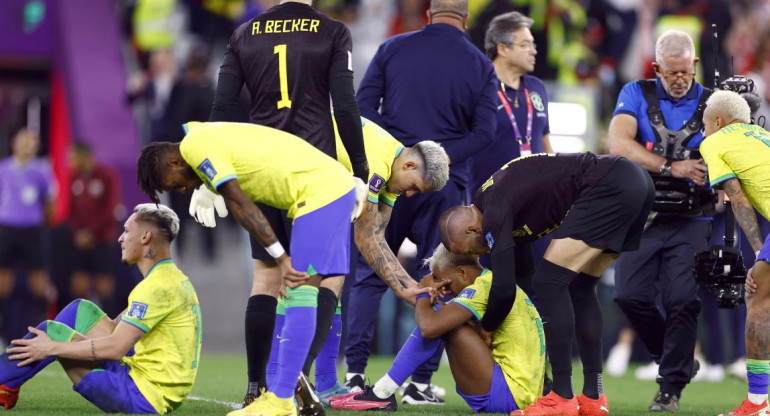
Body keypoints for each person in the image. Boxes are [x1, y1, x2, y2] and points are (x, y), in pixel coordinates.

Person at [204, 0, 369, 404]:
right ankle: (298, 378)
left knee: (265, 278)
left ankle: (254, 387)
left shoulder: (243, 34)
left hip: (262, 171)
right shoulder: (331, 31)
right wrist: (361, 171)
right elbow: (345, 106)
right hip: (315, 173)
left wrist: (206, 172)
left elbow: (222, 109)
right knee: (323, 278)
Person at [135, 121, 357, 416]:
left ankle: (282, 400)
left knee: (300, 289)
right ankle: (282, 395)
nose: (184, 188)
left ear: (174, 161)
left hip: (319, 192)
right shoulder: (197, 135)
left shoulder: (195, 147)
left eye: (176, 183)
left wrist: (280, 257)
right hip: (318, 191)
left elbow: (240, 203)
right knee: (298, 291)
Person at [347, 0, 498, 399]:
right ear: (465, 19)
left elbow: (362, 108)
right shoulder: (480, 64)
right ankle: (420, 382)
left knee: (367, 276)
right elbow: (486, 132)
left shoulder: (393, 48)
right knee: (442, 280)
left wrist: (403, 157)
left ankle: (355, 374)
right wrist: (443, 159)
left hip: (389, 176)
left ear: (430, 13)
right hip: (446, 191)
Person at [439, 152, 655, 416]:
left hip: (610, 183)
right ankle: (593, 397)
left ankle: (561, 397)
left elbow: (504, 289)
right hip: (636, 182)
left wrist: (486, 328)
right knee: (580, 286)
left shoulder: (492, 212)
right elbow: (523, 278)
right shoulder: (498, 208)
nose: (476, 256)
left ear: (472, 229)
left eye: (470, 250)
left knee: (550, 281)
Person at [271, 117, 449, 403]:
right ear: (410, 165)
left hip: (315, 184)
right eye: (415, 186)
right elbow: (364, 239)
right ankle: (283, 384)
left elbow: (378, 238)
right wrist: (403, 289)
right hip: (290, 175)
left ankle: (323, 382)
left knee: (334, 277)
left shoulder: (393, 169)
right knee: (314, 279)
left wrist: (410, 284)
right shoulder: (377, 167)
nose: (411, 194)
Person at [0, 203, 201, 414]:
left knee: (53, 332)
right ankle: (9, 383)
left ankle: (5, 378)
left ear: (145, 237)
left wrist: (50, 348)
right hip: (151, 383)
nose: (120, 238)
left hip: (140, 395)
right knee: (78, 311)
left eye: (126, 231)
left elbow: (115, 348)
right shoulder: (172, 278)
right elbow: (117, 330)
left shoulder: (155, 289)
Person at [608, 29, 712, 412]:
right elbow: (618, 143)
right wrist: (673, 166)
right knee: (627, 294)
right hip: (645, 214)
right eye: (672, 74)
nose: (680, 80)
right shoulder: (635, 92)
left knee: (682, 299)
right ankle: (672, 357)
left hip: (693, 217)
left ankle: (670, 386)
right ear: (656, 69)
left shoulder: (714, 101)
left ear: (695, 65)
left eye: (686, 72)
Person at [331, 244, 544, 413]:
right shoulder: (492, 283)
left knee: (442, 324)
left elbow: (429, 328)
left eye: (442, 281)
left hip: (507, 397)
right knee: (443, 318)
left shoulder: (482, 287)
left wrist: (424, 293)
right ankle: (381, 391)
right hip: (522, 395)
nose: (442, 289)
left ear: (462, 271)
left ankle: (382, 393)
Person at [697, 90, 770, 416]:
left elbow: (737, 199)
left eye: (703, 124)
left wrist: (757, 252)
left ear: (717, 120)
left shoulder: (713, 142)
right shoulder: (762, 135)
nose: (702, 132)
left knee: (758, 299)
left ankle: (757, 402)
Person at [471, 11, 552, 194]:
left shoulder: (537, 87)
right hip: (487, 203)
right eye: (525, 45)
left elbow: (545, 141)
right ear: (503, 49)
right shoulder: (477, 89)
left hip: (534, 201)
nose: (534, 51)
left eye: (533, 44)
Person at [0, 128, 54, 341]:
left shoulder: (41, 170)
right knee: (4, 279)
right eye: (24, 141)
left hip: (31, 230)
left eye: (32, 142)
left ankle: (42, 325)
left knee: (38, 279)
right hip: (7, 228)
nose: (28, 145)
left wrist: (42, 223)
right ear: (14, 143)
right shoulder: (3, 169)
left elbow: (49, 202)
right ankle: (4, 328)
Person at [67, 142, 121, 315]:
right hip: (80, 242)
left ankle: (111, 324)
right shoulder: (74, 177)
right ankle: (81, 328)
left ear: (84, 155)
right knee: (79, 285)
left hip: (102, 239)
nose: (71, 160)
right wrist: (78, 233)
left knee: (104, 286)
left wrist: (91, 232)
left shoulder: (106, 176)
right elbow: (72, 210)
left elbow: (109, 209)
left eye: (73, 156)